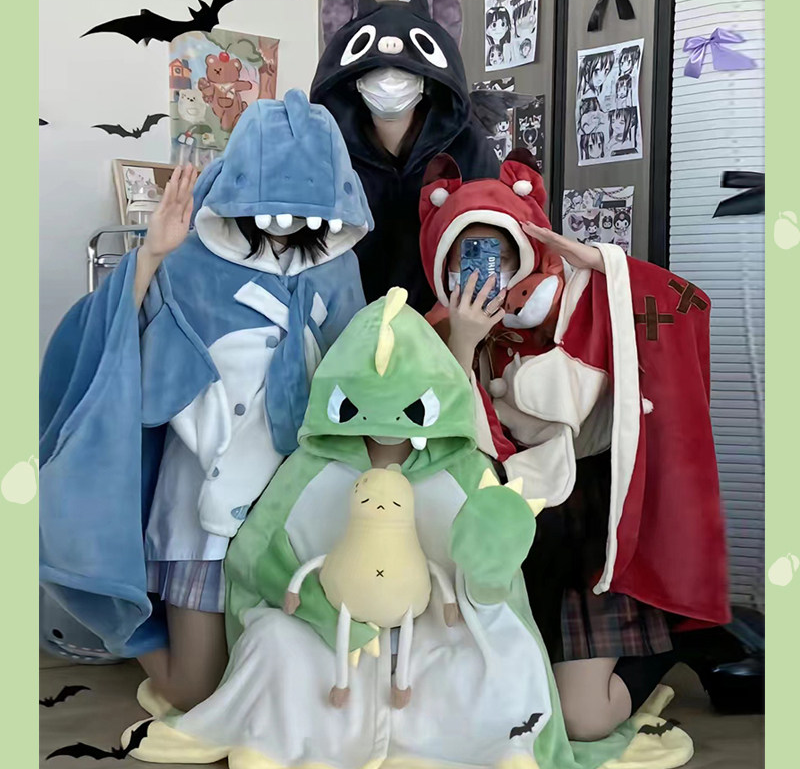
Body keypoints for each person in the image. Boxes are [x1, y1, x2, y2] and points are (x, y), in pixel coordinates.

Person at [122, 289, 692, 769]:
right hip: (332, 618)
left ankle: (474, 743)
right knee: (275, 643)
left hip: (438, 616)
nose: (386, 428)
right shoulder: (310, 465)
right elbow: (258, 555)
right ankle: (283, 739)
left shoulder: (463, 466)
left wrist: (486, 564)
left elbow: (494, 576)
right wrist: (316, 606)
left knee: (488, 656)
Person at [39, 90, 373, 711]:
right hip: (202, 497)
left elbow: (355, 373)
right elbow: (109, 341)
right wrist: (151, 255)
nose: (283, 220)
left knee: (284, 673)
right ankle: (139, 636)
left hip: (298, 492)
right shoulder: (188, 258)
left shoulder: (338, 268)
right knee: (197, 690)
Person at [417, 150, 729, 742]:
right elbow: (443, 437)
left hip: (590, 519)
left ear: (524, 250)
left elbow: (688, 304)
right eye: (467, 255)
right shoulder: (435, 331)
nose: (485, 271)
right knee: (495, 699)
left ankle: (669, 646)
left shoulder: (585, 299)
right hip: (505, 524)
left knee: (582, 719)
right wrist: (462, 344)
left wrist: (603, 263)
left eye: (499, 253)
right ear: (444, 261)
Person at [311, 0, 500, 311]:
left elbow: (488, 230)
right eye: (376, 70)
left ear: (428, 77)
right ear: (354, 78)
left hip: (439, 324)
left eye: (405, 71)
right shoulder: (325, 151)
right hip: (346, 324)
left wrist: (468, 318)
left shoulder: (467, 148)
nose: (390, 81)